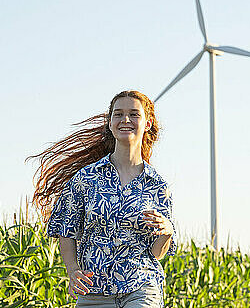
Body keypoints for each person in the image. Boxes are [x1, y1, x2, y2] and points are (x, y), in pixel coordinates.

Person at [27, 90, 177, 308]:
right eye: (118, 114)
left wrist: (167, 231)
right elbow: (65, 229)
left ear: (148, 123)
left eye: (134, 114)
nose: (126, 120)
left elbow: (156, 253)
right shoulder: (86, 178)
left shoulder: (157, 185)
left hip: (141, 287)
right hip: (93, 291)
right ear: (110, 123)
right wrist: (72, 271)